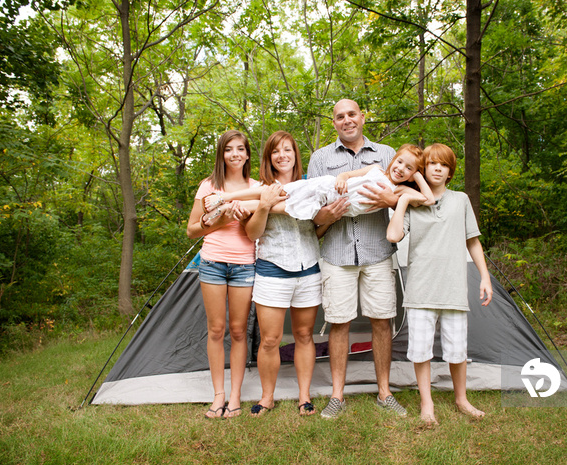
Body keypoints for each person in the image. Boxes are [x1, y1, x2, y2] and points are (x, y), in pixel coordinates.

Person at [307, 98, 408, 419]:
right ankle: (337, 396)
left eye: (352, 114)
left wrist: (388, 198)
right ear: (334, 123)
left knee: (382, 320)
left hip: (378, 250)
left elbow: (403, 195)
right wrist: (329, 214)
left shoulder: (387, 154)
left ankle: (385, 392)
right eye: (340, 117)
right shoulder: (320, 158)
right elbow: (313, 213)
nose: (347, 120)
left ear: (363, 117)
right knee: (339, 323)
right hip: (336, 254)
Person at [387, 143, 494, 425]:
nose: (437, 168)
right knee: (420, 350)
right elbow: (394, 235)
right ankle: (427, 403)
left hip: (453, 288)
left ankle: (461, 399)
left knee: (457, 350)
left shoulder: (461, 200)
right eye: (432, 163)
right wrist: (403, 200)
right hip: (421, 288)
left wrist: (484, 277)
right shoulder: (411, 200)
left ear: (449, 172)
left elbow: (472, 240)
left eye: (443, 165)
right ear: (423, 170)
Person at [244, 130, 321, 417]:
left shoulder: (310, 186)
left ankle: (304, 397)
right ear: (269, 158)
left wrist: (329, 217)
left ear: (295, 155)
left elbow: (317, 228)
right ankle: (267, 398)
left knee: (303, 335)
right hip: (272, 269)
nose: (283, 155)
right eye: (276, 151)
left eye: (288, 150)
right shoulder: (260, 189)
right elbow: (252, 233)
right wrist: (264, 205)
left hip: (308, 269)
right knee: (270, 340)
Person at [186, 129, 257, 419]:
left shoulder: (256, 186)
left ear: (248, 154)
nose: (235, 154)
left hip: (244, 265)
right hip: (213, 262)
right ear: (222, 154)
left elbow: (260, 229)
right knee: (216, 330)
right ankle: (218, 396)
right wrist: (221, 218)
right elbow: (192, 230)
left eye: (240, 149)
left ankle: (236, 396)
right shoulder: (209, 186)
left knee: (239, 331)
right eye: (229, 149)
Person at [201, 144, 434, 220]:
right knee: (273, 192)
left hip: (325, 205)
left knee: (275, 207)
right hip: (324, 187)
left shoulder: (400, 189)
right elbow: (347, 175)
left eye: (409, 169)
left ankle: (223, 210)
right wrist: (341, 177)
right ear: (393, 159)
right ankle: (224, 197)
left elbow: (428, 199)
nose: (401, 169)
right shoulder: (376, 168)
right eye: (400, 163)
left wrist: (417, 176)